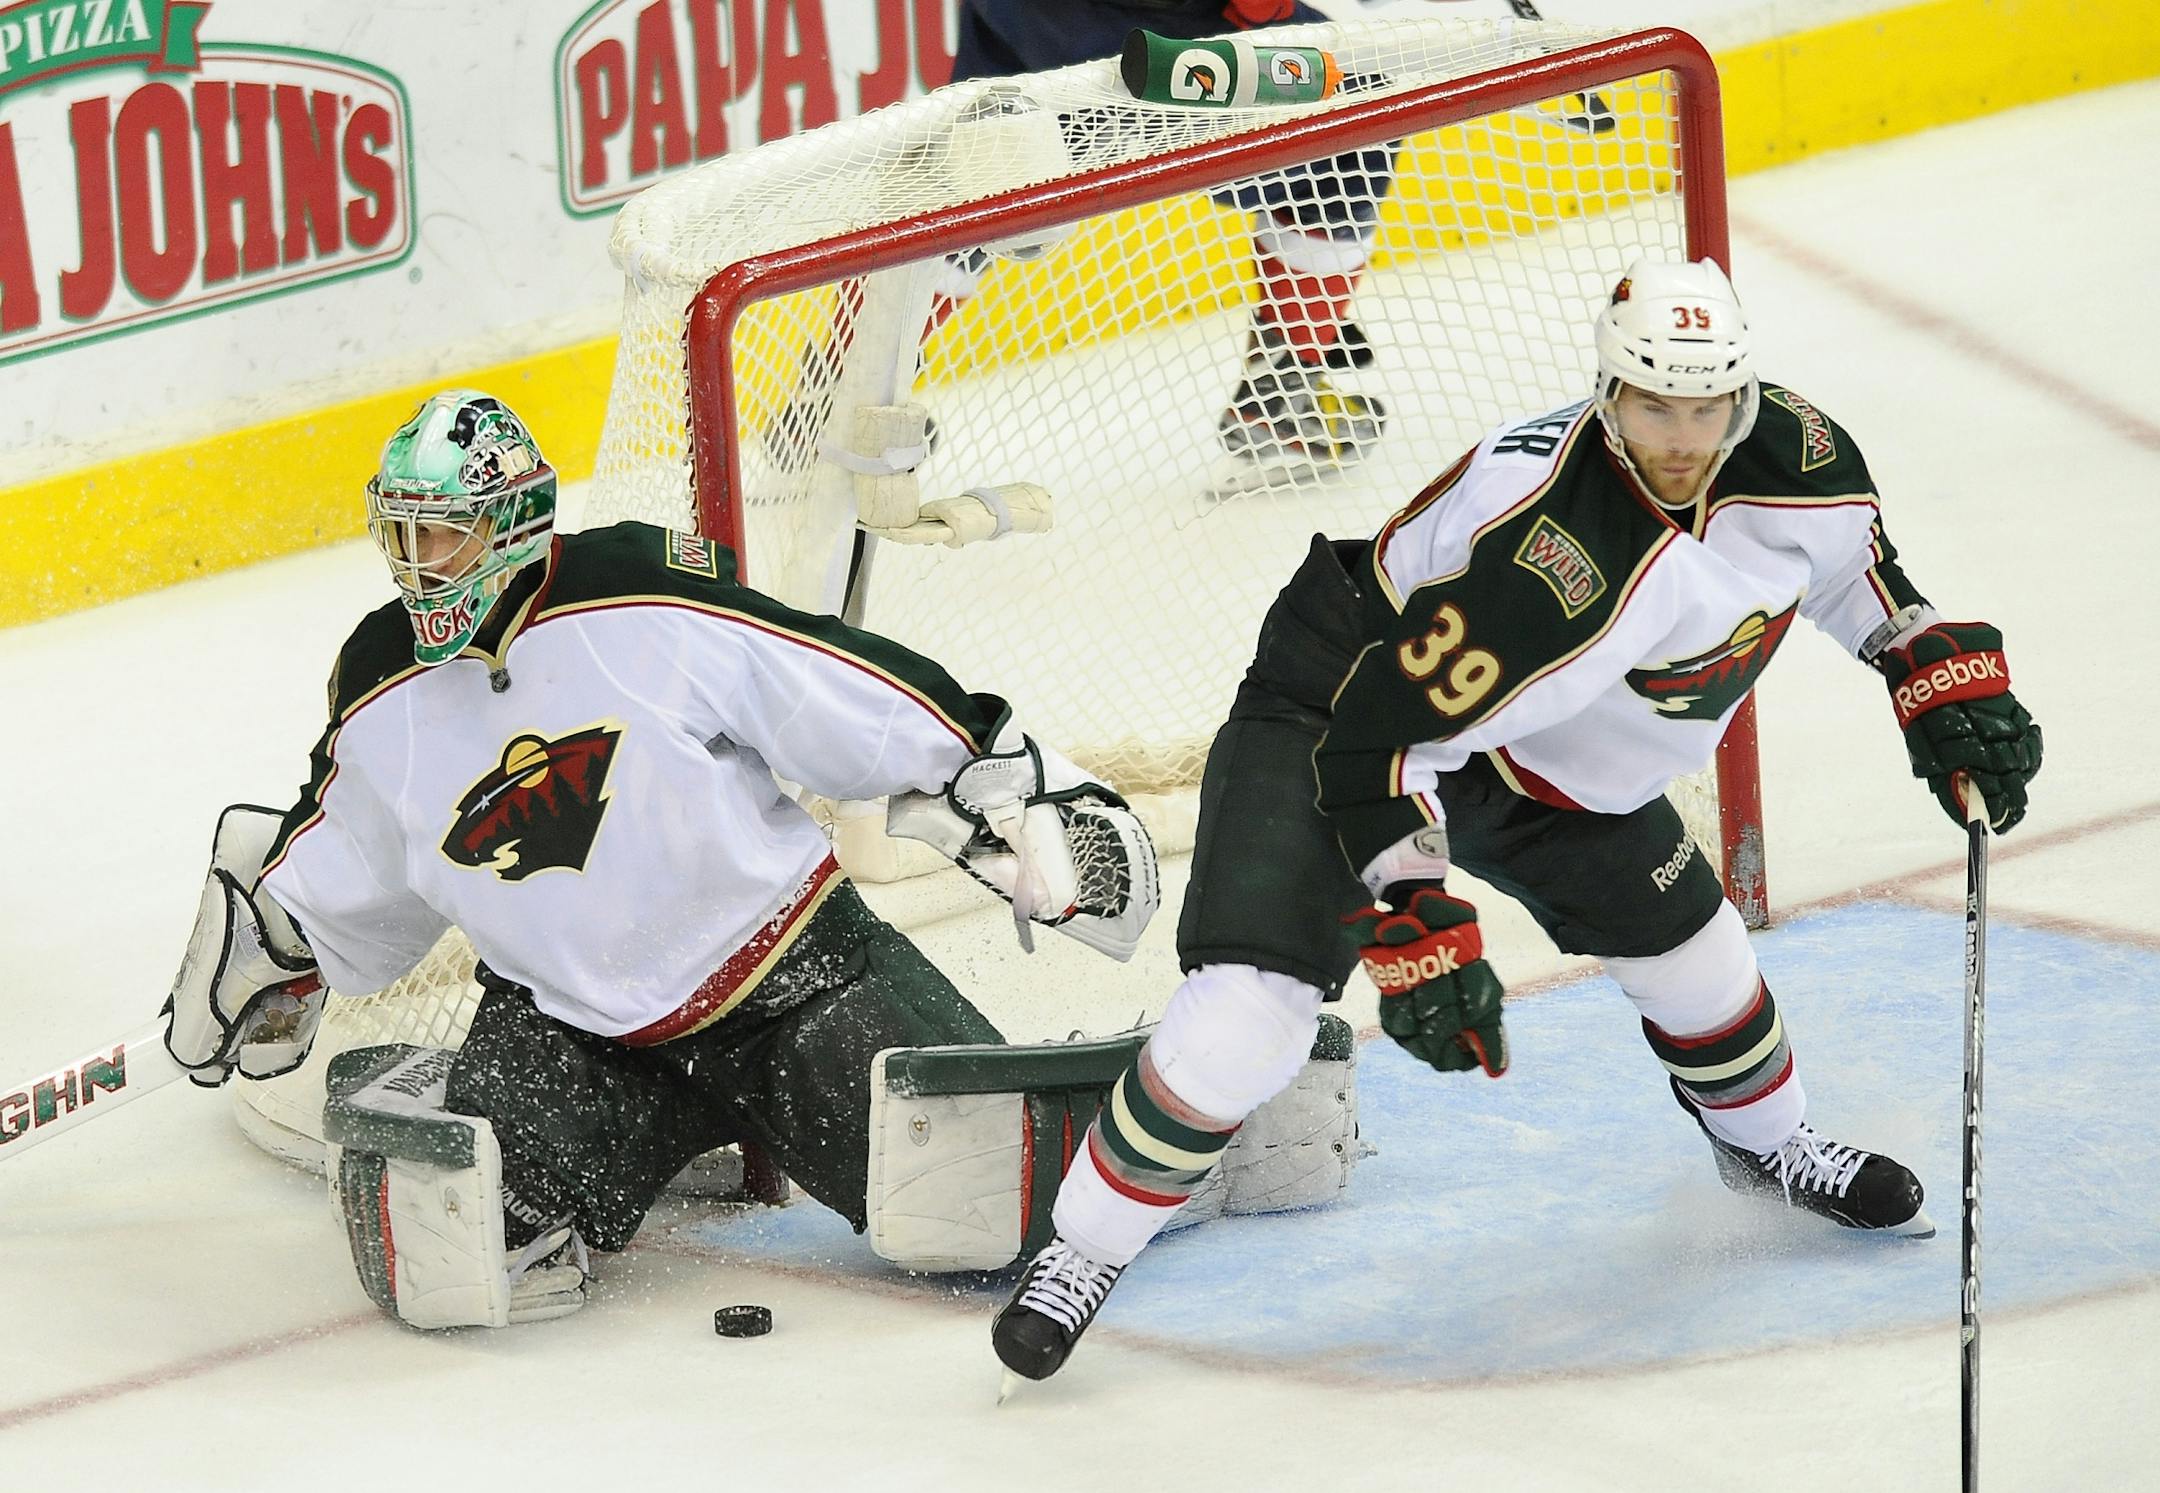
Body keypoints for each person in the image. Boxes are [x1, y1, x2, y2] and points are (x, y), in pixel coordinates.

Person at [990, 257, 2045, 1384]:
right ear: (1607, 392)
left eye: (1709, 406)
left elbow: (1855, 569)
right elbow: (1384, 742)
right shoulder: (1547, 545)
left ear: (1746, 392)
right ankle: (1083, 1247)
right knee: (1250, 1016)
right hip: (1347, 702)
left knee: (1699, 958)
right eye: (1653, 406)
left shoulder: (1802, 452)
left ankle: (1771, 1148)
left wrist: (1920, 660)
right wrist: (1412, 907)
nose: (1684, 435)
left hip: (1551, 754)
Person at [158, 389, 1169, 1328]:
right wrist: (269, 936)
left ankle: (1193, 1104)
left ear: (513, 523)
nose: (420, 560)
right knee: (441, 1243)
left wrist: (996, 769)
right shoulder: (382, 685)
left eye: (446, 531)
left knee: (999, 1208)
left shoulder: (639, 596)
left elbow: (826, 683)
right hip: (573, 1033)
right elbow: (355, 861)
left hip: (792, 984)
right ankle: (458, 1092)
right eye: (404, 531)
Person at [944, 0, 1394, 468]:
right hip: (1149, 45)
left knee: (977, 174)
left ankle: (863, 384)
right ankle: (1282, 388)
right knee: (1360, 95)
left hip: (1010, 16)